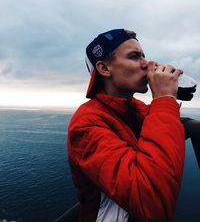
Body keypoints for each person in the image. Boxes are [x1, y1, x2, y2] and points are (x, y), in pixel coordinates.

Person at [67, 29, 187, 222]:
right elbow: (151, 204)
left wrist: (167, 102)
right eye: (134, 56)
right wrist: (164, 100)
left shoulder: (137, 109)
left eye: (144, 56)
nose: (148, 64)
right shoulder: (86, 124)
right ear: (104, 69)